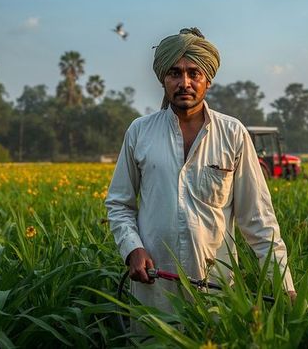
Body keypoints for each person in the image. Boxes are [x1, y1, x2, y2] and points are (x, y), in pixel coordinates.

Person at [105, 27, 296, 318]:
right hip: (155, 283)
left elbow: (259, 220)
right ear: (163, 80)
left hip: (215, 287)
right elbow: (119, 204)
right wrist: (133, 249)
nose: (184, 82)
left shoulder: (232, 133)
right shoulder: (139, 132)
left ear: (208, 80)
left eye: (193, 73)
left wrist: (283, 283)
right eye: (174, 73)